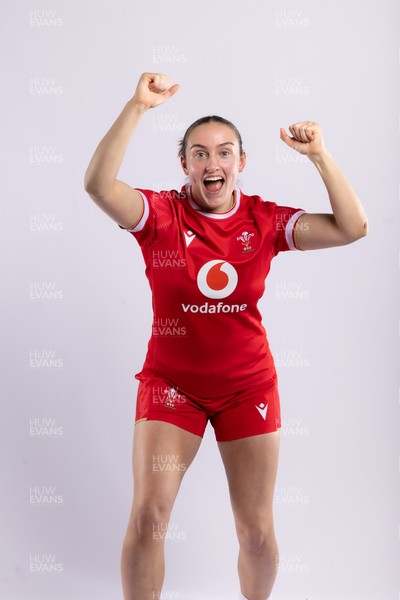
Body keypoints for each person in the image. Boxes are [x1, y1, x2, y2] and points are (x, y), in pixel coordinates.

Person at [84, 72, 368, 600]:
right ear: (185, 164)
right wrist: (137, 106)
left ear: (242, 162)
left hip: (247, 388)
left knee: (256, 533)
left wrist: (319, 156)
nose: (212, 163)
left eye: (223, 152)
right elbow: (98, 186)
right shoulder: (160, 216)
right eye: (198, 153)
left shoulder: (263, 221)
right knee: (149, 515)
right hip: (173, 386)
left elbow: (353, 228)